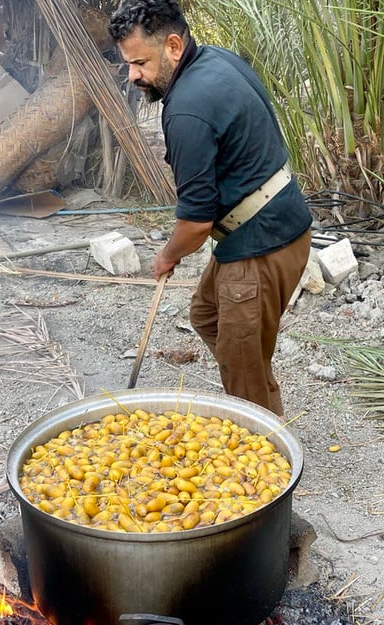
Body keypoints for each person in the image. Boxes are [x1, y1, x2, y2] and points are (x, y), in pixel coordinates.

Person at [108, 0, 313, 418]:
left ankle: (265, 450)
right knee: (206, 314)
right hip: (279, 225)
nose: (133, 76)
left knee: (242, 374)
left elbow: (197, 223)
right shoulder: (216, 59)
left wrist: (167, 255)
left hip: (260, 246)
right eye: (129, 64)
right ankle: (254, 371)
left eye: (140, 63)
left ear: (173, 46)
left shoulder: (186, 111)